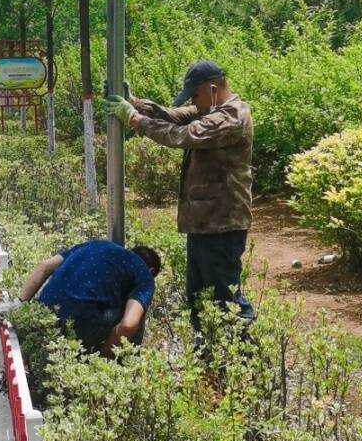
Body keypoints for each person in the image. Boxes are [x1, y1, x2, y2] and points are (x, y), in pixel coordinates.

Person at [106, 61, 255, 337]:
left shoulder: (232, 117)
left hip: (222, 226)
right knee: (199, 300)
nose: (193, 105)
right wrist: (135, 103)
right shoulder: (209, 109)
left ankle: (244, 361)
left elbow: (183, 134)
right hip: (202, 225)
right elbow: (172, 116)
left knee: (226, 301)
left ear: (211, 90)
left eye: (195, 97)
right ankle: (209, 359)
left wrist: (135, 120)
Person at [0, 240, 161, 357]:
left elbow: (44, 266)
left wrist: (18, 305)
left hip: (41, 318)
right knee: (137, 314)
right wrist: (103, 357)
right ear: (152, 271)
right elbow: (128, 325)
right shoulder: (144, 276)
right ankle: (122, 366)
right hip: (74, 328)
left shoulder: (96, 244)